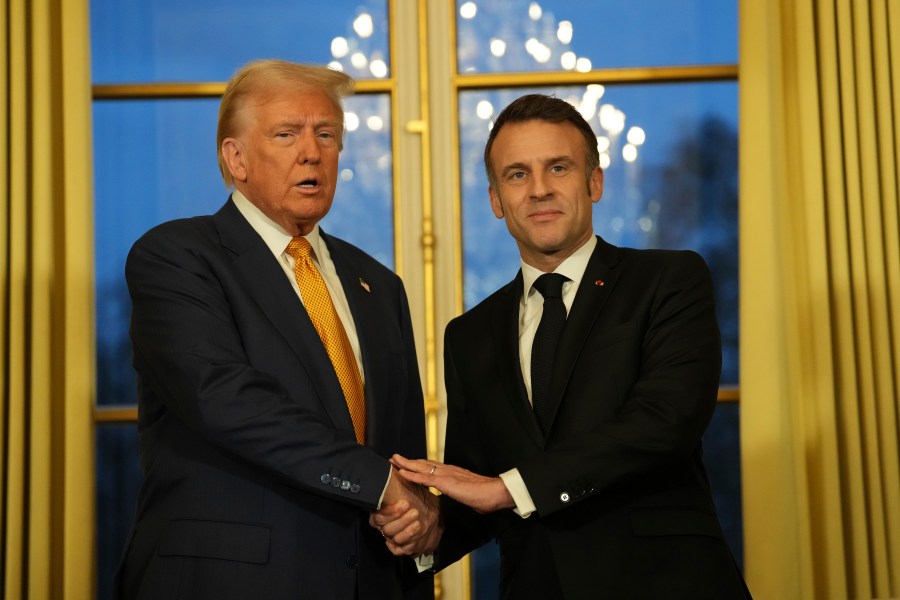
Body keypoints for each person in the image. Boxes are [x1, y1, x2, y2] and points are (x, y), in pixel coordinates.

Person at [374, 94, 752, 599]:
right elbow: (480, 489)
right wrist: (427, 530)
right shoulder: (469, 335)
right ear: (495, 200)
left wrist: (507, 488)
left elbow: (665, 420)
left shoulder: (668, 280)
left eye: (558, 167)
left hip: (666, 582)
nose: (539, 190)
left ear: (594, 183)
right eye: (516, 175)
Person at [114, 60, 440, 600]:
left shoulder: (380, 286)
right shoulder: (177, 257)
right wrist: (381, 484)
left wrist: (423, 518)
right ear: (235, 157)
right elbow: (224, 398)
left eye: (327, 134)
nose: (311, 152)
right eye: (286, 134)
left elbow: (403, 455)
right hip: (230, 580)